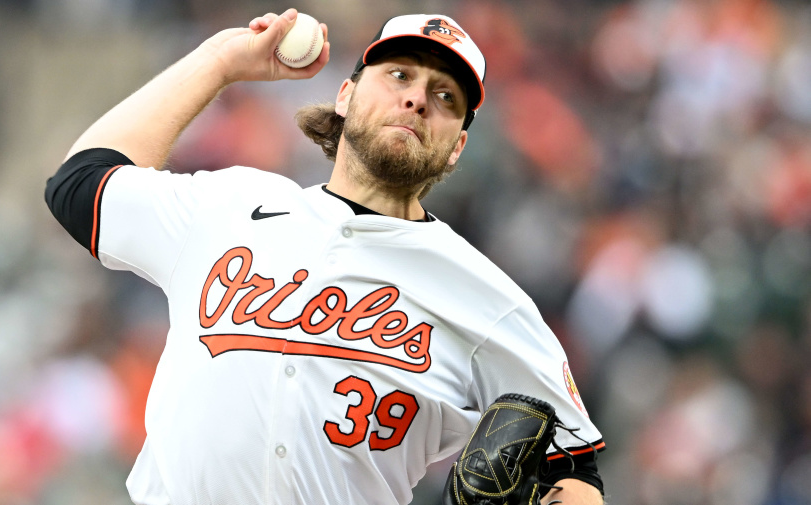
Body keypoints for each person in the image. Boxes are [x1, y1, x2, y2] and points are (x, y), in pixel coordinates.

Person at [44, 8, 606, 505]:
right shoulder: (229, 205)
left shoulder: (488, 299)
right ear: (346, 94)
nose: (415, 98)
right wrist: (217, 62)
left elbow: (577, 468)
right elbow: (80, 185)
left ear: (457, 147)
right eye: (399, 75)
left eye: (445, 97)